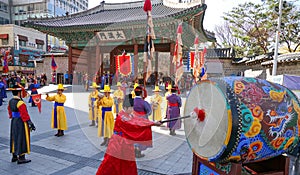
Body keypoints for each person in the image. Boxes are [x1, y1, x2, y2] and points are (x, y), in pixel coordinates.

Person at [96, 94, 161, 175]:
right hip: (117, 143)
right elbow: (135, 124)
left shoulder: (129, 115)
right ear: (125, 108)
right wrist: (152, 124)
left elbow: (139, 120)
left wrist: (153, 123)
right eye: (131, 108)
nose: (132, 109)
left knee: (128, 163)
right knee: (110, 163)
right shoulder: (121, 116)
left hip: (126, 144)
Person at [8, 85, 36, 164]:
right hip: (21, 122)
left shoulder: (10, 101)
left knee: (14, 136)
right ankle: (21, 157)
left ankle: (14, 156)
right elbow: (25, 115)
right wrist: (30, 123)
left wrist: (13, 117)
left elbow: (10, 112)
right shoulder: (20, 102)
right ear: (19, 93)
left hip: (14, 121)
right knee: (21, 137)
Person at [133, 86, 152, 157]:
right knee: (142, 135)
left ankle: (135, 147)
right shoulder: (144, 102)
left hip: (134, 119)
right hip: (142, 120)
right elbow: (149, 112)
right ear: (141, 94)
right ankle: (139, 151)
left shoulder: (132, 101)